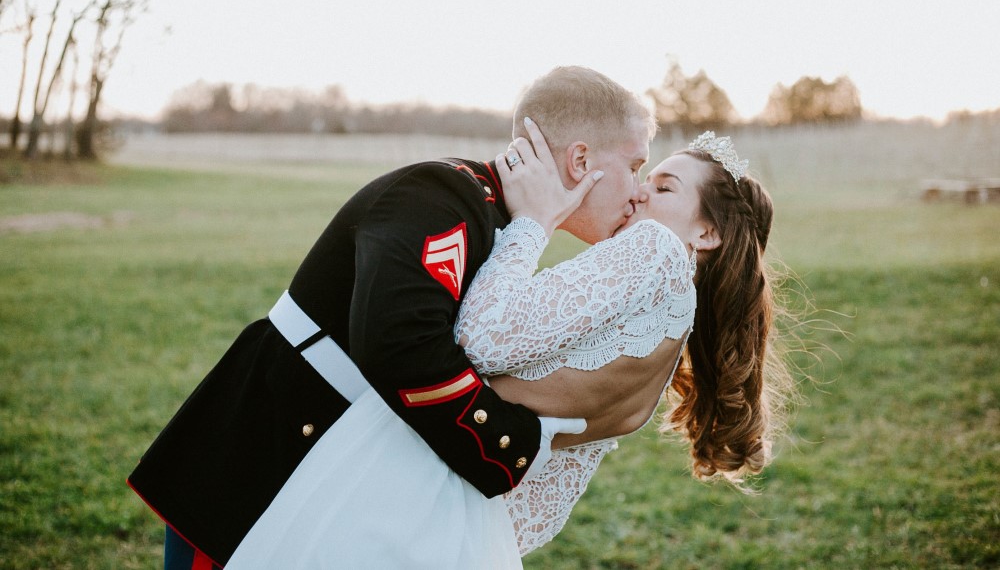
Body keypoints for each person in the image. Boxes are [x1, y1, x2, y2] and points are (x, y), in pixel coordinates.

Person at [127, 65, 656, 569]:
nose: (640, 191)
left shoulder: (500, 219)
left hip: (329, 473)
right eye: (635, 166)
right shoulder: (441, 193)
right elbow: (401, 344)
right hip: (261, 462)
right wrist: (511, 444)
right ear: (581, 160)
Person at [225, 130, 789, 567]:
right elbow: (542, 508)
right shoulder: (668, 344)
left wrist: (532, 225)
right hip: (477, 525)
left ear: (707, 233)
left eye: (664, 186)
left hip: (411, 463)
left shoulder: (656, 252)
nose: (641, 190)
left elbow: (483, 333)